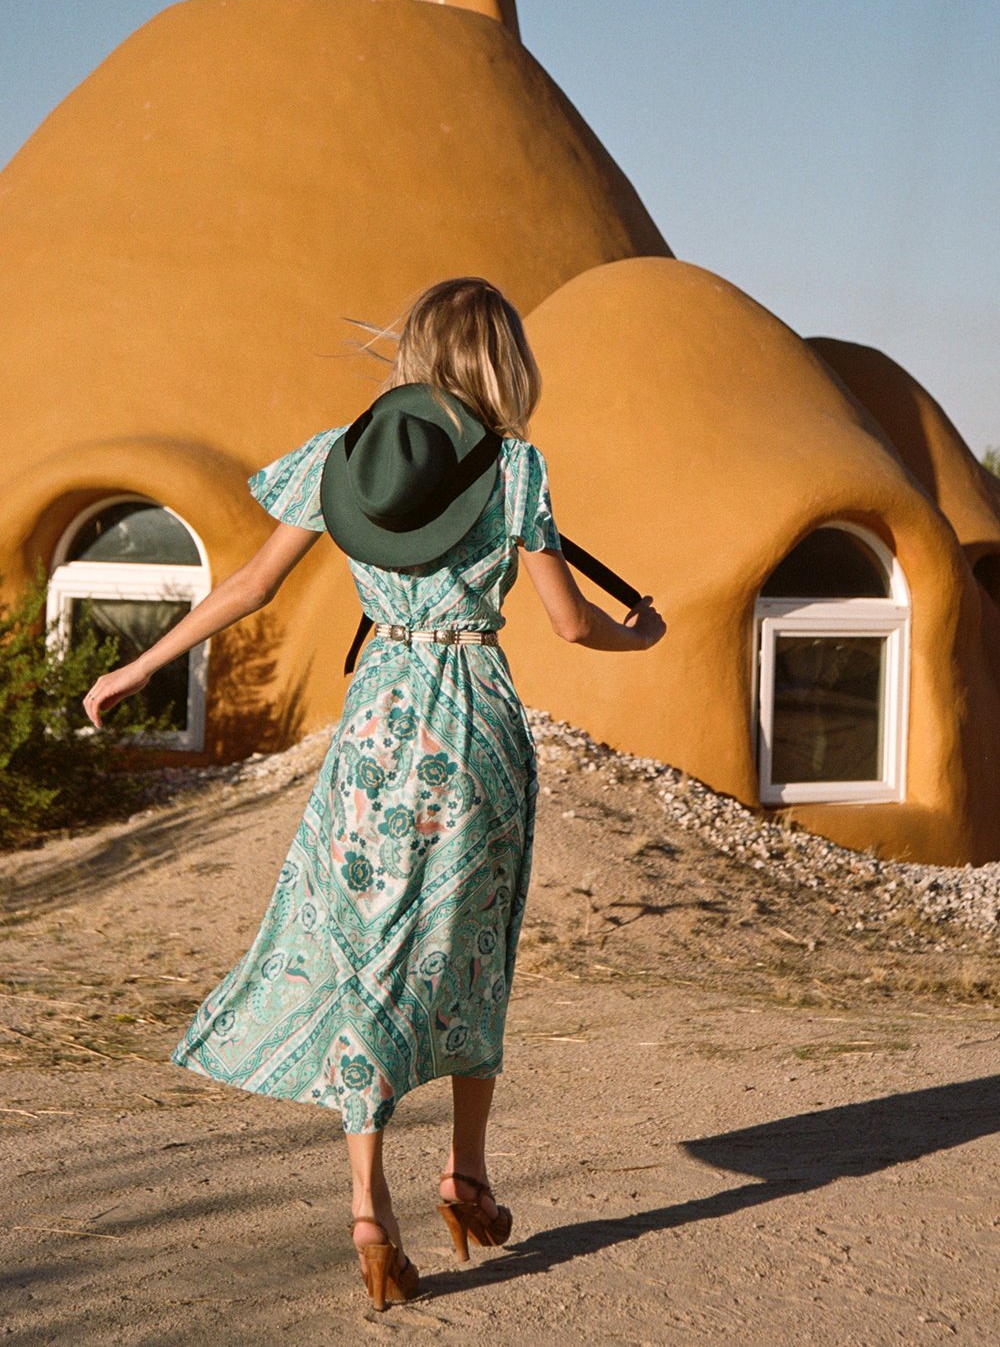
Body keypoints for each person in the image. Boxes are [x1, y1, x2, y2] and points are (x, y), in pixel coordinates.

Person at [82, 277, 666, 1309]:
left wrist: (140, 666)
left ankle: (367, 1207)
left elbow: (249, 585)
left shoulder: (339, 458)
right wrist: (641, 635)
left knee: (369, 950)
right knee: (469, 943)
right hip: (474, 724)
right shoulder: (515, 466)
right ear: (501, 361)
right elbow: (573, 624)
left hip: (376, 728)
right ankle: (466, 1176)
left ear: (415, 353)